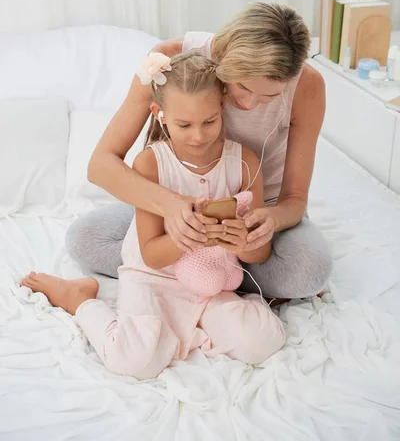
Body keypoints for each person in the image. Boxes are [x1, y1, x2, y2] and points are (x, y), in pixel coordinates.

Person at [21, 54, 286, 379]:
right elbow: (151, 255)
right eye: (184, 125)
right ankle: (79, 300)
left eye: (209, 121)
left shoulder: (243, 162)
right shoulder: (151, 164)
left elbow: (259, 252)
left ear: (223, 104)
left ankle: (201, 325)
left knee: (263, 342)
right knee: (134, 361)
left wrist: (243, 243)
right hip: (154, 279)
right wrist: (187, 234)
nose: (199, 136)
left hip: (211, 285)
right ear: (159, 115)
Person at [66, 2, 332, 299]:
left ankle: (201, 273)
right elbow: (100, 166)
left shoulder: (307, 86)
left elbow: (294, 199)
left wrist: (269, 222)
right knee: (85, 239)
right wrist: (172, 207)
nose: (247, 104)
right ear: (224, 57)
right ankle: (218, 275)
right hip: (177, 206)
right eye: (241, 87)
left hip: (253, 216)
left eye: (268, 96)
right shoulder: (170, 61)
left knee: (308, 271)